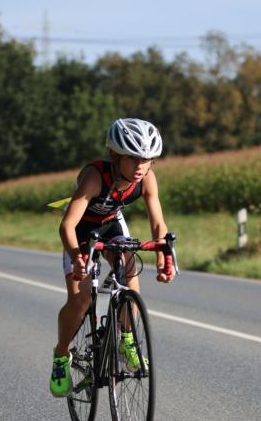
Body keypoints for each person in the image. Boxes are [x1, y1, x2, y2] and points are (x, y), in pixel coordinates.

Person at [50, 118, 174, 398]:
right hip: (81, 230)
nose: (141, 166)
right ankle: (60, 356)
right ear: (115, 156)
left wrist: (164, 254)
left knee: (130, 280)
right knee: (81, 299)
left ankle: (126, 339)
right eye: (134, 159)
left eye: (148, 159)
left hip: (110, 223)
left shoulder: (147, 178)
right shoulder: (94, 177)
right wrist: (76, 256)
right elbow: (66, 226)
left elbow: (158, 224)